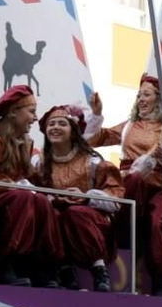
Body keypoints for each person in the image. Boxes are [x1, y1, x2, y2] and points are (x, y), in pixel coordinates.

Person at [86, 75, 162, 295]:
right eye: (139, 95)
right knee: (130, 185)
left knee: (154, 224)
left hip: (157, 188)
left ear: (160, 100)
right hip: (130, 185)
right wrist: (96, 114)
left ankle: (160, 280)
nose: (141, 99)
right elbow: (95, 139)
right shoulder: (129, 126)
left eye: (146, 94)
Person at [0, 85, 59, 287]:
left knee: (42, 201)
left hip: (13, 195)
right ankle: (6, 262)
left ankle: (41, 266)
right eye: (31, 111)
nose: (35, 118)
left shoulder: (24, 142)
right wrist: (25, 187)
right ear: (13, 112)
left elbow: (29, 176)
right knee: (26, 198)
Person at [33, 103, 124, 291]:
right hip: (57, 221)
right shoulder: (38, 164)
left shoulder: (92, 162)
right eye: (51, 124)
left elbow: (116, 200)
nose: (55, 127)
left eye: (61, 124)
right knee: (54, 214)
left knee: (75, 212)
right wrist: (54, 199)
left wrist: (86, 197)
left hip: (92, 223)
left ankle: (99, 270)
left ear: (73, 131)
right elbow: (32, 193)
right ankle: (64, 270)